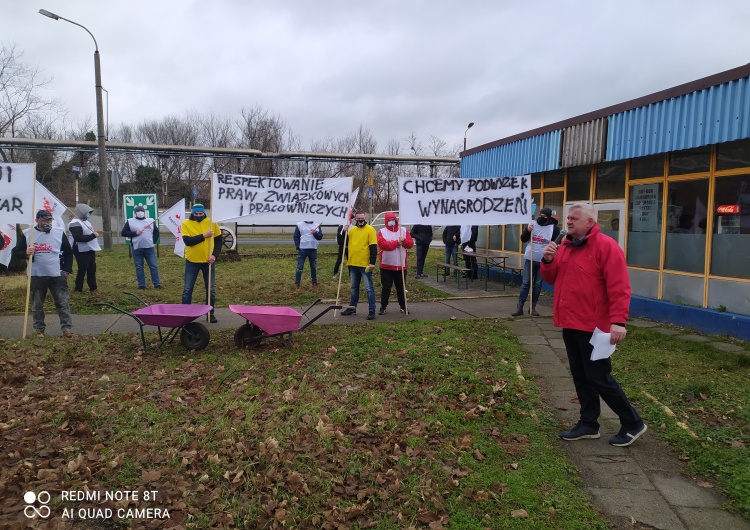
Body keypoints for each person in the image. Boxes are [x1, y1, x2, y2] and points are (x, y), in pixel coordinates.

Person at [540, 203, 647, 447]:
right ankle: (589, 423)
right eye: (568, 218)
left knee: (599, 377)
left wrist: (618, 322)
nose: (568, 222)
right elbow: (551, 278)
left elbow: (620, 287)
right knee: (580, 375)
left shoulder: (606, 246)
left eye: (574, 219)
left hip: (595, 326)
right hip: (571, 321)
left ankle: (633, 423)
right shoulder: (565, 245)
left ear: (589, 222)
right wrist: (547, 260)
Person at [13, 209, 74, 337]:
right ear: (37, 221)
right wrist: (26, 253)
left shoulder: (58, 233)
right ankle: (39, 329)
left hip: (57, 274)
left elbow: (68, 252)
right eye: (44, 220)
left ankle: (67, 329)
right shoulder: (28, 234)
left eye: (49, 220)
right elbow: (17, 252)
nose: (47, 222)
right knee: (37, 304)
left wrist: (67, 270)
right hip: (36, 275)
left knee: (62, 302)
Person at [512, 207, 560, 316]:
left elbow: (556, 244)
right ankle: (520, 307)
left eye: (544, 217)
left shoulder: (553, 228)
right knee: (526, 283)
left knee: (537, 285)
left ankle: (532, 307)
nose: (541, 218)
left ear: (548, 218)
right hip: (530, 258)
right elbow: (523, 239)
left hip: (543, 261)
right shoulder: (532, 224)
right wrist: (527, 231)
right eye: (540, 216)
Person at [181, 204, 222, 323]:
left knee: (211, 290)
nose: (198, 215)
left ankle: (210, 313)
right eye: (196, 214)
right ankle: (185, 315)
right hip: (192, 261)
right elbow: (188, 241)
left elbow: (219, 241)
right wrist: (204, 236)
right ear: (192, 214)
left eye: (200, 213)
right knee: (188, 289)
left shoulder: (212, 223)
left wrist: (214, 255)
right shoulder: (186, 224)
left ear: (204, 213)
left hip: (208, 262)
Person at [341, 210, 378, 320]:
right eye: (358, 219)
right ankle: (352, 307)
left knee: (369, 288)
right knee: (353, 288)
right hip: (352, 263)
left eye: (362, 219)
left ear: (365, 219)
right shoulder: (352, 230)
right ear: (355, 220)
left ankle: (372, 310)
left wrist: (372, 262)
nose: (360, 221)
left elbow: (373, 248)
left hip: (365, 265)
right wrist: (344, 232)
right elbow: (342, 242)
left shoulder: (370, 230)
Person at [377, 212, 414, 315]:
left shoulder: (403, 230)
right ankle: (383, 307)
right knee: (386, 288)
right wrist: (397, 243)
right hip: (386, 266)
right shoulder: (382, 232)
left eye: (392, 220)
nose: (391, 222)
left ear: (396, 220)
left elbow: (410, 244)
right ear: (386, 221)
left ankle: (403, 306)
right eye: (389, 220)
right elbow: (384, 245)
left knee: (401, 288)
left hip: (401, 266)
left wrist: (404, 241)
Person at [121, 205, 161, 290]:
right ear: (135, 213)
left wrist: (152, 241)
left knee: (153, 265)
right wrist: (135, 233)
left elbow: (156, 232)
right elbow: (123, 233)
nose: (140, 212)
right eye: (137, 211)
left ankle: (157, 284)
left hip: (149, 248)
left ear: (144, 212)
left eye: (141, 211)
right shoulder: (130, 221)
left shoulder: (150, 221)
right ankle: (142, 284)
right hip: (137, 248)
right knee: (139, 267)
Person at [68, 203, 101, 295]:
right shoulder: (75, 223)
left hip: (90, 249)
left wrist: (92, 235)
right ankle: (78, 289)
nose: (89, 214)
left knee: (92, 269)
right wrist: (93, 235)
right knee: (82, 269)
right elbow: (78, 238)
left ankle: (93, 288)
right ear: (81, 212)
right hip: (81, 250)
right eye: (87, 212)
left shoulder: (86, 222)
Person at [294, 221, 323, 289]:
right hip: (303, 249)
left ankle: (314, 282)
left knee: (313, 266)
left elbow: (320, 237)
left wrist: (315, 233)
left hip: (313, 249)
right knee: (300, 266)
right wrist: (298, 247)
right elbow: (296, 236)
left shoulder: (317, 224)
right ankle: (297, 283)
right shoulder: (299, 224)